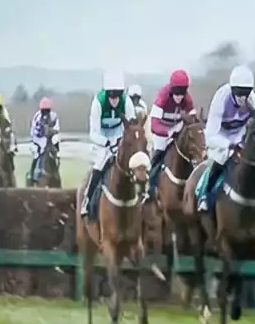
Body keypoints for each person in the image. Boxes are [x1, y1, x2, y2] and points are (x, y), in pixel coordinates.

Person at [197, 64, 255, 212]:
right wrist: (229, 144)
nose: (243, 99)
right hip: (221, 136)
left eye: (246, 94)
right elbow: (210, 135)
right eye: (239, 94)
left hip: (240, 134)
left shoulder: (253, 101)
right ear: (232, 90)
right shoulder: (221, 98)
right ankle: (205, 195)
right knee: (221, 158)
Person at [82, 70, 135, 215]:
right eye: (111, 95)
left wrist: (123, 140)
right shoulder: (98, 103)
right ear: (106, 93)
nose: (114, 99)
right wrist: (106, 142)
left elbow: (132, 127)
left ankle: (143, 196)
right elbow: (93, 133)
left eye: (117, 95)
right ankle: (88, 199)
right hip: (102, 139)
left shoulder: (127, 101)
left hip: (119, 136)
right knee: (100, 163)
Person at [146, 68, 197, 196]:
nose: (179, 96)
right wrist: (168, 132)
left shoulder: (187, 99)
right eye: (176, 92)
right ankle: (149, 188)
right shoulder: (162, 96)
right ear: (171, 89)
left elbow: (193, 120)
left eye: (182, 92)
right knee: (158, 155)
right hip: (161, 133)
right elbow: (154, 125)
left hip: (178, 128)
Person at [27, 96, 61, 184]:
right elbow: (34, 131)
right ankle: (32, 175)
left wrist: (51, 135)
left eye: (47, 110)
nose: (45, 113)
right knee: (37, 154)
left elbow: (57, 129)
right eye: (44, 110)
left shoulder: (54, 116)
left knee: (55, 154)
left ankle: (56, 176)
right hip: (38, 139)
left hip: (50, 139)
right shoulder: (37, 117)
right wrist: (41, 140)